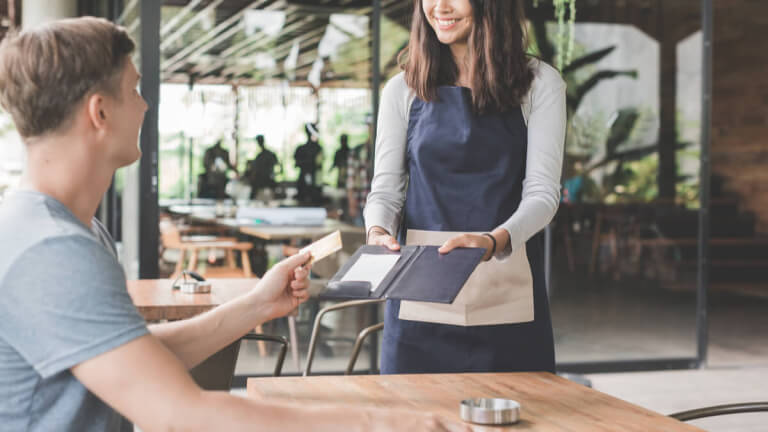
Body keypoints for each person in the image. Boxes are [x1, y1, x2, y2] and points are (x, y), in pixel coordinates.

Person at [0, 17, 468, 432]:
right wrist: (380, 423)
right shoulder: (51, 249)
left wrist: (256, 305)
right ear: (99, 113)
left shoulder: (70, 230)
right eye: (135, 90)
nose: (145, 107)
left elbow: (138, 354)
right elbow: (177, 414)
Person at [365, 0, 566, 374]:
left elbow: (542, 193)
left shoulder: (539, 84)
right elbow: (387, 190)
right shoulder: (402, 89)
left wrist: (494, 241)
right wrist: (378, 231)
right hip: (419, 298)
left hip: (506, 297)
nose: (439, 7)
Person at [293, 122, 323, 204]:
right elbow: (296, 163)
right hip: (304, 182)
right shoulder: (301, 149)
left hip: (315, 181)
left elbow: (319, 165)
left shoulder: (318, 148)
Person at [244, 134, 280, 198]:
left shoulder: (269, 154)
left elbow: (278, 166)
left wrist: (273, 175)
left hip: (267, 180)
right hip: (260, 181)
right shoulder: (259, 156)